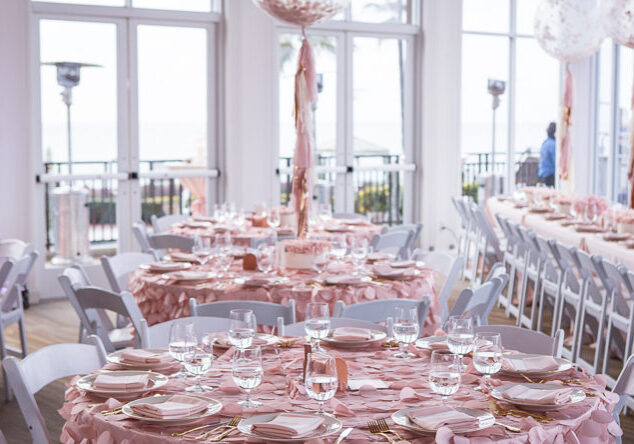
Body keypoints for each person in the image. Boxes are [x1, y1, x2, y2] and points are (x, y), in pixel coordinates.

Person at [538, 122, 556, 187]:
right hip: (550, 175)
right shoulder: (553, 144)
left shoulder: (545, 143)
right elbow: (556, 162)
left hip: (542, 174)